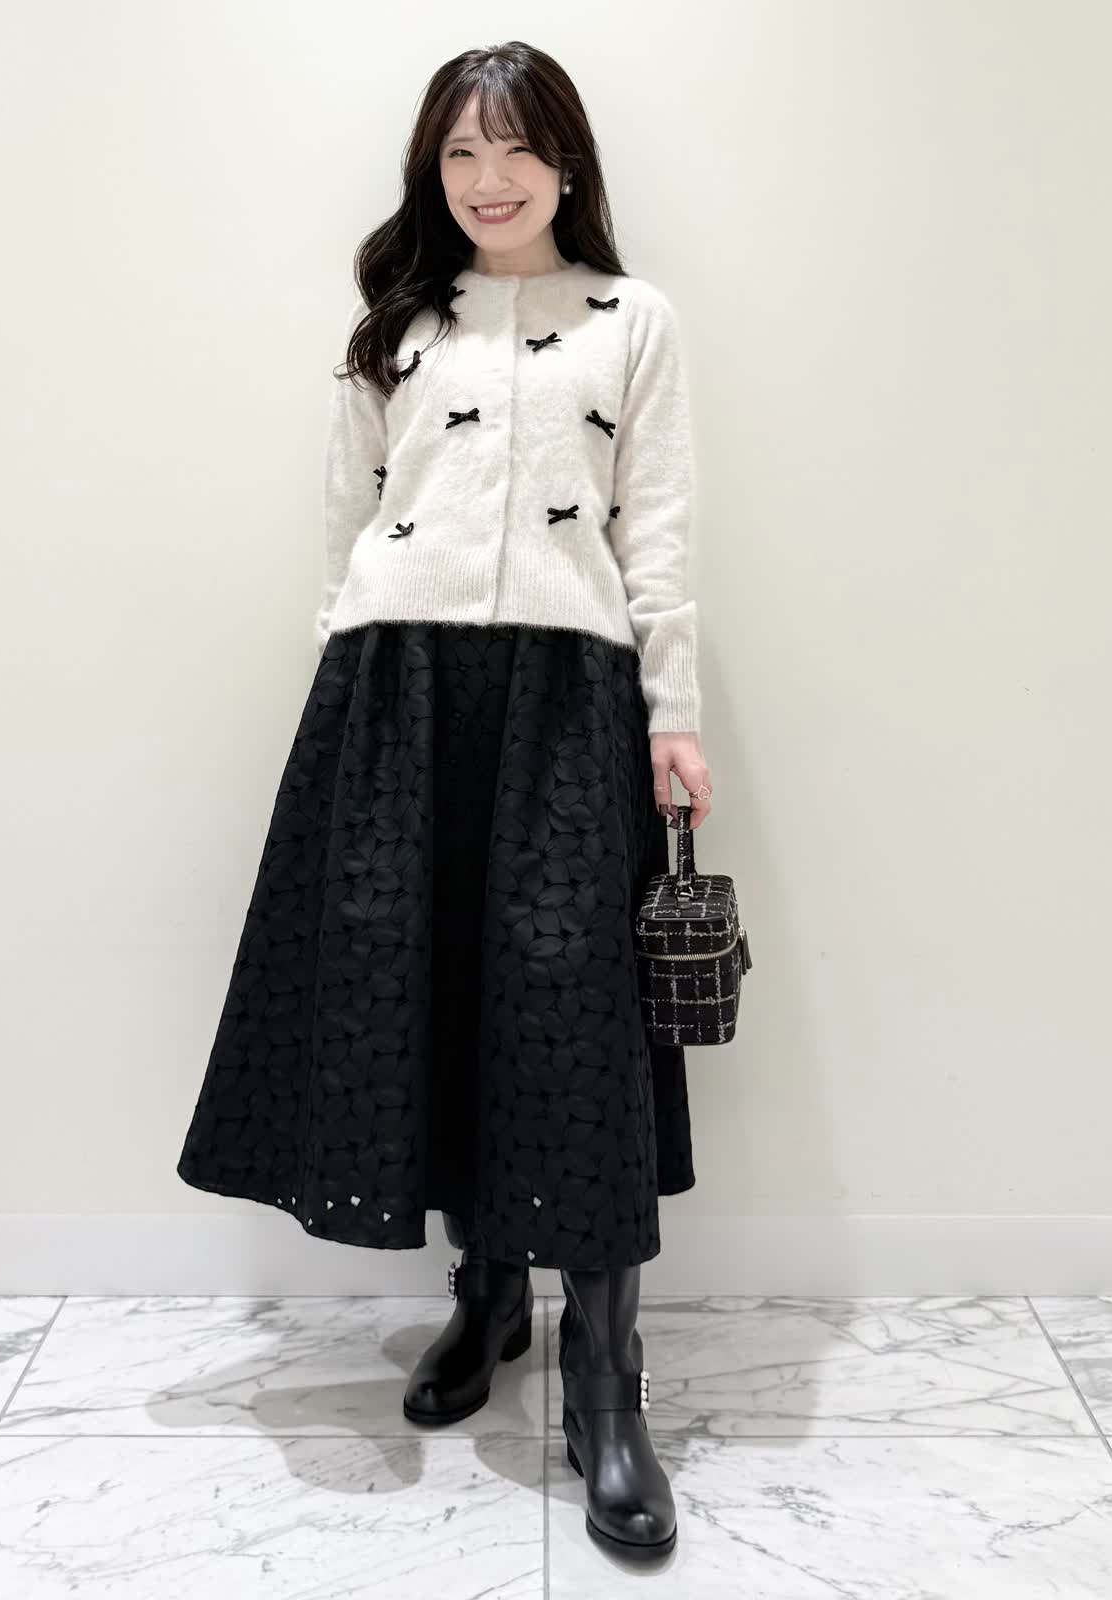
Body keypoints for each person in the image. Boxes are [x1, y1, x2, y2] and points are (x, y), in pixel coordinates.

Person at [176, 39, 713, 1562]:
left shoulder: (634, 320)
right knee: (425, 989)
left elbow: (660, 526)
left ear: (565, 162)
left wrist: (673, 714)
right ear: (434, 168)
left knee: (566, 1012)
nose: (489, 178)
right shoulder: (395, 326)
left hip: (570, 690)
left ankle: (607, 1383)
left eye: (516, 147)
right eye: (461, 152)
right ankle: (484, 1302)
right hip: (395, 684)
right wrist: (348, 685)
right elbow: (344, 522)